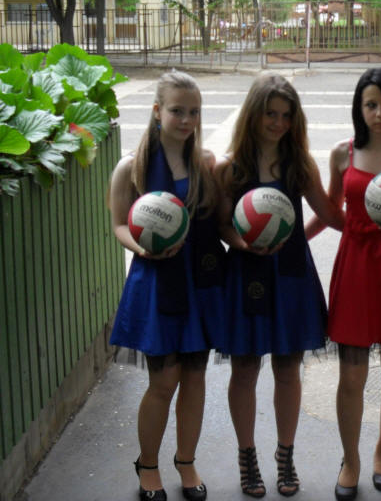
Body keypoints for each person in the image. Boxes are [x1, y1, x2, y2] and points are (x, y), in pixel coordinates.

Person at [214, 73, 344, 498]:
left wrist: (376, 224)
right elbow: (221, 224)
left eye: (287, 116)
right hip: (246, 273)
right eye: (270, 114)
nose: (278, 123)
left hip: (290, 275)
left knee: (288, 369)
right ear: (253, 114)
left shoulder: (300, 165)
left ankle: (285, 455)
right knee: (245, 369)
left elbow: (329, 214)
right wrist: (244, 243)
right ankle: (247, 456)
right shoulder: (231, 167)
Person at [305, 67, 381, 501]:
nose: (380, 113)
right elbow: (331, 211)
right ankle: (350, 459)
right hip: (356, 265)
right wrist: (294, 240)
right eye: (371, 104)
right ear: (359, 108)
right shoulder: (342, 153)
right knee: (351, 370)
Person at [108, 70, 224, 501]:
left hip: (201, 283)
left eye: (194, 111)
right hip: (157, 282)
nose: (187, 120)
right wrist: (142, 247)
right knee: (163, 380)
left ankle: (186, 461)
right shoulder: (132, 167)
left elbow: (222, 221)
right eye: (178, 111)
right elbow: (119, 224)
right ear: (157, 111)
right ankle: (148, 464)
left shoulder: (206, 164)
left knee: (194, 377)